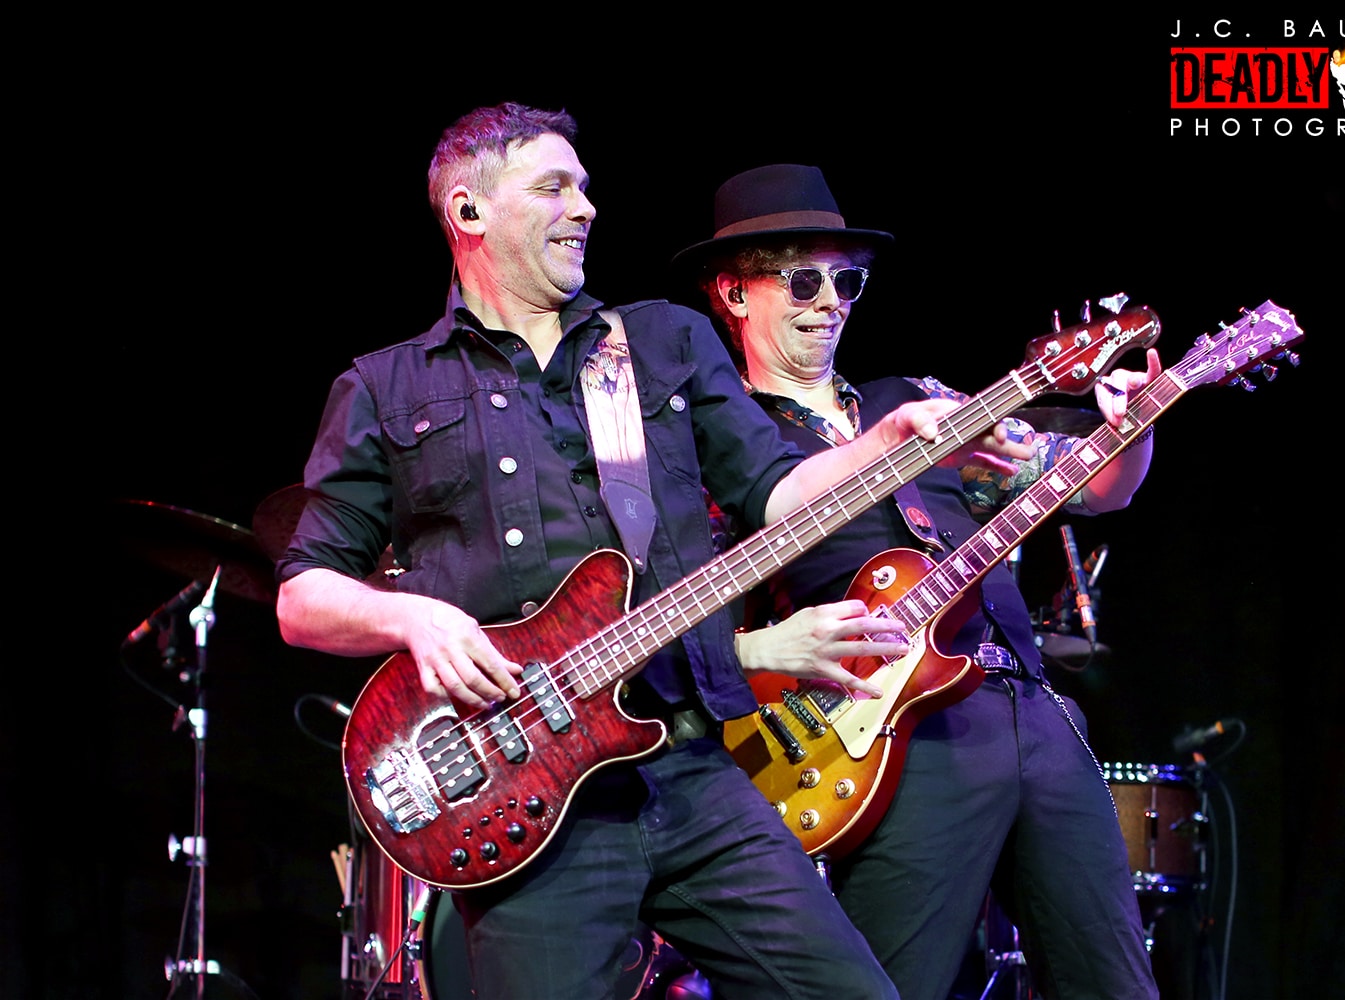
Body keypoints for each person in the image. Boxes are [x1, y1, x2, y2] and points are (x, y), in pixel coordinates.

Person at [274, 105, 1026, 1000]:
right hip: (527, 796)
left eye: (586, 187)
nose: (584, 207)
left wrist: (884, 446)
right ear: (469, 212)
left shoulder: (661, 342)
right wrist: (411, 618)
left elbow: (778, 496)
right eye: (553, 188)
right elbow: (301, 596)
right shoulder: (386, 386)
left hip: (692, 765)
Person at [672, 163, 1164, 1000]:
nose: (831, 303)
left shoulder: (920, 399)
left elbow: (1094, 489)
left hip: (1031, 707)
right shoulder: (724, 445)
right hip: (892, 735)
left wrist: (1135, 425)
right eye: (803, 281)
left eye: (847, 282)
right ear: (734, 292)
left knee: (1116, 982)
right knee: (893, 985)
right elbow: (687, 610)